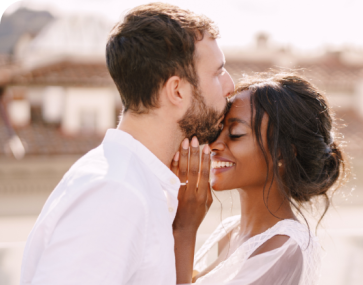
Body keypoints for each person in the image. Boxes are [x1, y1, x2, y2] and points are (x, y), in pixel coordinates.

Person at [20, 3, 231, 284]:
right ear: (177, 91)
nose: (230, 86)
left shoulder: (135, 183)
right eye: (218, 73)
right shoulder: (116, 192)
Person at [172, 73, 350, 284]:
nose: (214, 144)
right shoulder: (230, 232)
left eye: (236, 133)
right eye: (219, 131)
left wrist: (184, 229)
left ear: (283, 153)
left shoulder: (284, 247)